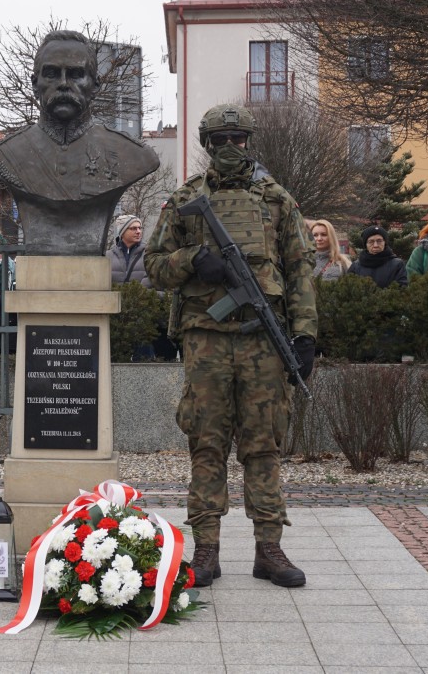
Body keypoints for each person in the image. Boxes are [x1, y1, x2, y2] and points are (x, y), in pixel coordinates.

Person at [145, 104, 316, 589]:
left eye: (237, 139)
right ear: (206, 143)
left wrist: (305, 335)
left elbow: (301, 269)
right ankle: (206, 551)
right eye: (219, 140)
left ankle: (269, 549)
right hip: (207, 340)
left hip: (264, 341)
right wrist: (194, 259)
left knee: (264, 445)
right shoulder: (184, 200)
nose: (228, 148)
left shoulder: (276, 200)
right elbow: (154, 266)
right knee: (207, 443)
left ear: (249, 141)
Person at [0, 30, 159, 255]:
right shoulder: (0, 156)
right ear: (35, 84)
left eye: (75, 74)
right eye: (52, 74)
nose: (63, 84)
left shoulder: (135, 156)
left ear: (95, 85)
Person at [107, 215, 152, 287]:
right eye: (133, 228)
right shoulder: (108, 256)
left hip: (142, 297)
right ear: (122, 231)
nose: (138, 231)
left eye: (140, 228)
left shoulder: (149, 254)